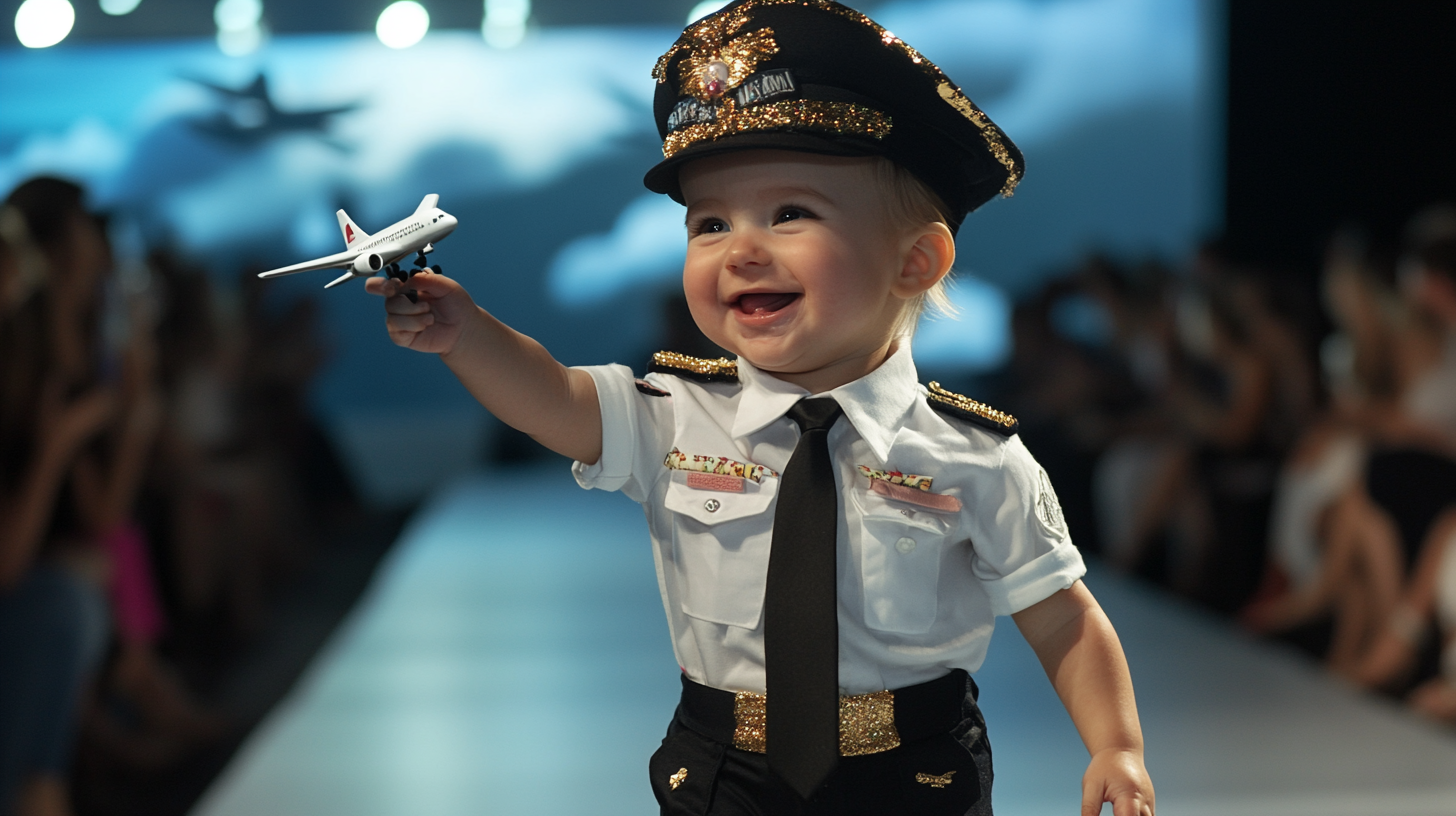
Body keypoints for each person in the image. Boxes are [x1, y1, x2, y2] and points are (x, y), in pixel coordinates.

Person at [366, 2, 1154, 814]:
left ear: (917, 259)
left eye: (790, 213)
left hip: (912, 773)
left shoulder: (976, 457)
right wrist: (467, 335)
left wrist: (1117, 746)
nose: (741, 249)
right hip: (724, 770)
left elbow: (1061, 616)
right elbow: (554, 397)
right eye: (709, 223)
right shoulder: (673, 414)